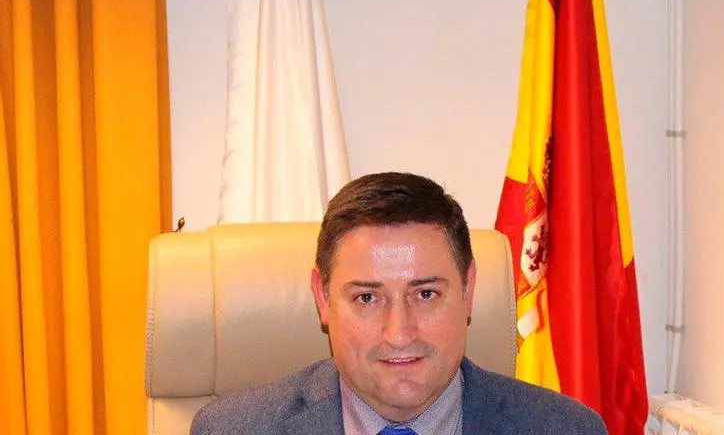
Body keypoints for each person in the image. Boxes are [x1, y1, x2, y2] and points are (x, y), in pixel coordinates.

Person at [190, 172, 607, 435]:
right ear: (322, 298)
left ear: (468, 291)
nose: (399, 334)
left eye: (425, 294)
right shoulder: (231, 430)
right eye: (367, 298)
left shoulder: (566, 430)